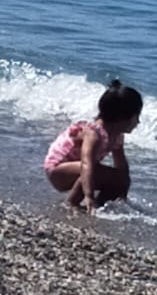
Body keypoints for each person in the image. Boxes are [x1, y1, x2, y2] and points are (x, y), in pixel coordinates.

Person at [46, 80, 144, 213]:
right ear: (122, 117)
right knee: (96, 170)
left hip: (80, 170)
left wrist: (123, 190)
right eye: (136, 117)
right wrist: (88, 195)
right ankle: (72, 203)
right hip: (58, 169)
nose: (138, 122)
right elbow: (87, 164)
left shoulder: (117, 136)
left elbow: (121, 166)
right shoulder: (94, 133)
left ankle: (99, 206)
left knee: (118, 177)